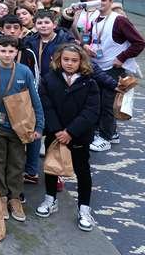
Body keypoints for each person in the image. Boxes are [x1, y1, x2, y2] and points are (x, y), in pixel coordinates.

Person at [0, 35, 44, 222]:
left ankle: (15, 198)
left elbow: (35, 99)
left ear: (17, 52)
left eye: (11, 51)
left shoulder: (25, 71)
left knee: (16, 162)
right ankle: (1, 197)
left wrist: (39, 125)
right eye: (3, 51)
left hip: (18, 125)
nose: (7, 54)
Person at [36, 44, 100, 231]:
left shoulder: (90, 83)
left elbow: (91, 111)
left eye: (74, 60)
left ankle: (84, 208)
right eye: (66, 60)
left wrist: (70, 132)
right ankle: (50, 199)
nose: (69, 63)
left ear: (81, 61)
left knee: (82, 171)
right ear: (59, 60)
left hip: (78, 136)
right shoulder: (49, 80)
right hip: (55, 134)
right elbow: (46, 105)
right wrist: (56, 130)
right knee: (51, 167)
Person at [84, 0, 145, 150]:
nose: (100, 3)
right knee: (99, 100)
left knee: (108, 103)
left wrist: (122, 58)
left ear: (111, 2)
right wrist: (88, 47)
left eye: (104, 0)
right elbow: (95, 39)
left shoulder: (119, 20)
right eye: (97, 0)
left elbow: (139, 42)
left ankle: (106, 137)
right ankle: (109, 133)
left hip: (114, 66)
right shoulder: (95, 19)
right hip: (99, 64)